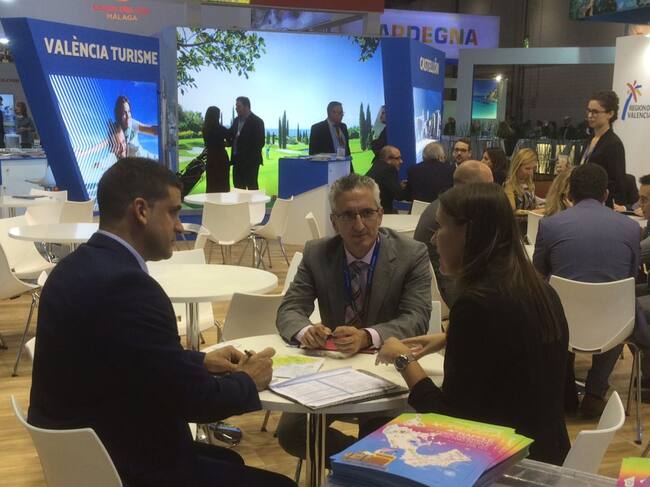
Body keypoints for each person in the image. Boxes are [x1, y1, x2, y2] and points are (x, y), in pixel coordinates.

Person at [28, 157, 295, 487]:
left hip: (84, 452)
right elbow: (194, 402)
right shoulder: (130, 288)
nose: (180, 226)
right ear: (141, 210)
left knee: (228, 460)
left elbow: (132, 360)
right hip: (125, 463)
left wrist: (200, 361)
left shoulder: (72, 268)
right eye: (173, 212)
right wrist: (248, 380)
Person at [377, 182, 571, 465]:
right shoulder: (540, 290)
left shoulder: (476, 305)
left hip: (498, 466)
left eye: (441, 227)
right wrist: (449, 338)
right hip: (547, 454)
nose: (433, 238)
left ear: (468, 231)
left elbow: (450, 420)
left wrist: (403, 360)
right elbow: (514, 347)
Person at [275, 172, 431, 462]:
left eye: (367, 213)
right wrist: (305, 331)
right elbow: (290, 309)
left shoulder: (411, 254)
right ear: (334, 221)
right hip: (333, 370)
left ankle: (364, 464)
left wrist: (367, 336)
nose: (359, 225)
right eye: (348, 216)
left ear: (380, 215)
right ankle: (357, 463)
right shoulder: (317, 253)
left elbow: (417, 317)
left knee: (380, 435)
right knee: (292, 432)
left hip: (387, 371)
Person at [533, 163, 645, 418]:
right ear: (605, 194)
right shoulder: (631, 228)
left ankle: (564, 385)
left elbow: (539, 270)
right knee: (619, 308)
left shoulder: (550, 225)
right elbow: (630, 275)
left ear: (570, 193)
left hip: (562, 323)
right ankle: (595, 392)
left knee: (553, 303)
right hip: (613, 323)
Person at [413, 160, 494, 308]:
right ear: (472, 187)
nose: (493, 193)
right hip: (443, 285)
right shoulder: (454, 213)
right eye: (489, 187)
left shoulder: (446, 205)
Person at [580, 91, 626, 208]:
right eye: (588, 111)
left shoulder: (613, 144)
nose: (590, 116)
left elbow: (617, 182)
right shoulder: (589, 140)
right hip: (582, 200)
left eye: (595, 112)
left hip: (600, 204)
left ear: (610, 114)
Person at [226, 96, 265, 190]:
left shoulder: (257, 122)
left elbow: (260, 143)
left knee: (252, 188)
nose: (236, 108)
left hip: (251, 162)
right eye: (236, 106)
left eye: (238, 106)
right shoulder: (236, 120)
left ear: (246, 106)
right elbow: (230, 135)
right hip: (237, 161)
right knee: (238, 188)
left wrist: (247, 157)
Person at [309, 101, 353, 172]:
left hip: (345, 169)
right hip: (328, 171)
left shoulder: (343, 127)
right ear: (331, 113)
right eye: (340, 113)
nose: (342, 115)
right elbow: (312, 154)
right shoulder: (317, 128)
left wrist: (351, 170)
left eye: (342, 113)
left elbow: (347, 150)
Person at [365, 145, 409, 214]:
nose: (401, 161)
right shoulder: (389, 169)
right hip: (382, 212)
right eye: (397, 158)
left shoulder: (377, 165)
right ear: (388, 159)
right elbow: (399, 196)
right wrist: (409, 187)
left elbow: (384, 187)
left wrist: (399, 186)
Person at [202, 106, 230, 193]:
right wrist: (223, 144)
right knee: (223, 185)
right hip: (222, 158)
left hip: (211, 158)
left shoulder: (205, 129)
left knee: (211, 184)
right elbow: (230, 141)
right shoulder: (221, 129)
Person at [504, 148, 539, 216]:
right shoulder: (509, 185)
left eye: (533, 169)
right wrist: (533, 212)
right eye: (527, 168)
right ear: (517, 167)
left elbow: (533, 205)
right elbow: (512, 211)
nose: (531, 173)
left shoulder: (530, 183)